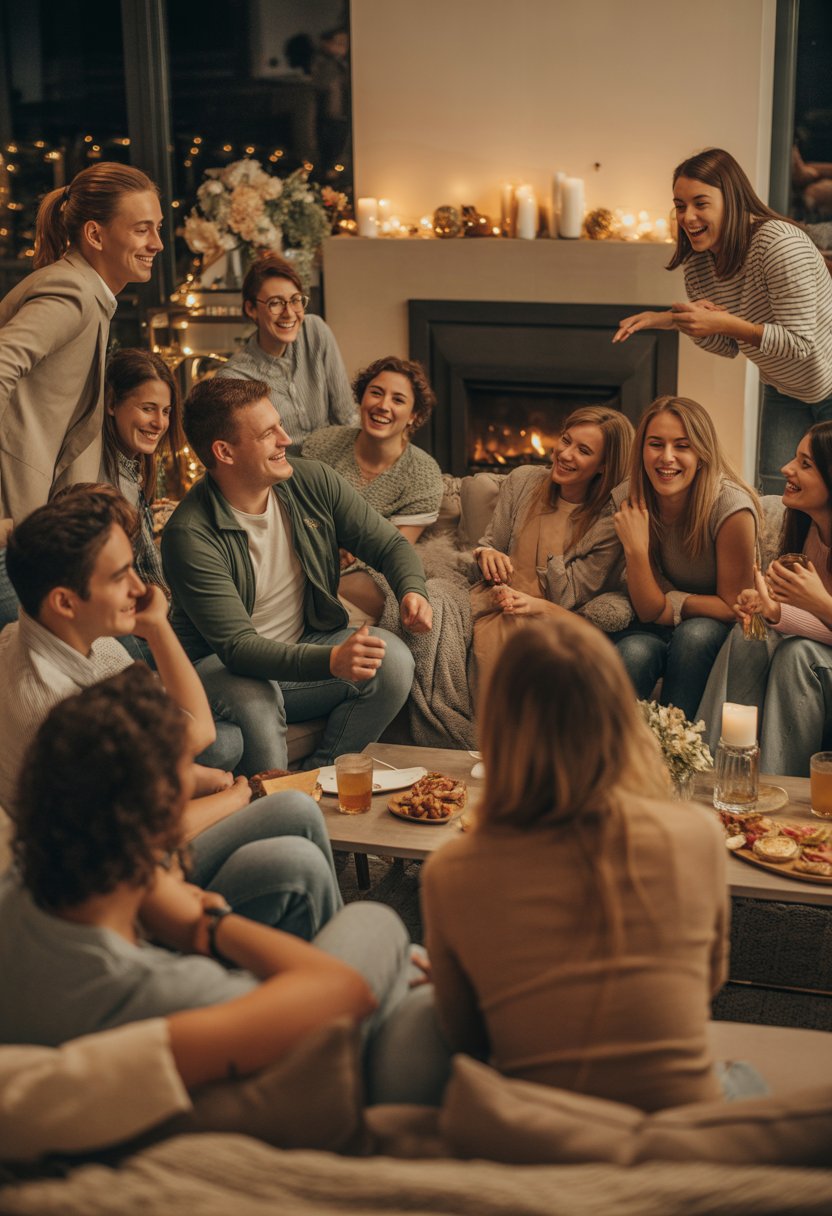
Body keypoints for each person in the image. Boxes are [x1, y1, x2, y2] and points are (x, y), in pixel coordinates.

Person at [0, 664, 427, 1109]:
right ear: (163, 818)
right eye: (185, 770)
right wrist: (207, 924)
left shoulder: (23, 882)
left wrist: (157, 883)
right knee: (385, 932)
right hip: (299, 1083)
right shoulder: (163, 989)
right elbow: (346, 991)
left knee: (396, 958)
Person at [421, 617, 752, 1112]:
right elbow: (707, 982)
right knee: (740, 1073)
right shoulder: (699, 835)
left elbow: (466, 1036)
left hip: (543, 1137)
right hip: (683, 1125)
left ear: (497, 727)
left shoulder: (450, 873)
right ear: (620, 717)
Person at [0, 485, 342, 938]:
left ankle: (318, 961)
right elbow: (192, 736)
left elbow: (162, 731)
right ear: (64, 601)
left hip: (130, 842)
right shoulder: (53, 704)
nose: (140, 589)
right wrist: (240, 795)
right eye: (120, 576)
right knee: (293, 850)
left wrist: (210, 781)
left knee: (296, 813)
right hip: (107, 891)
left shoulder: (61, 637)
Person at [162, 377, 432, 772]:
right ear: (225, 451)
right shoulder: (190, 534)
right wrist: (333, 661)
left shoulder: (311, 481)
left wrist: (412, 590)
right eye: (268, 433)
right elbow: (238, 648)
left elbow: (390, 545)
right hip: (224, 671)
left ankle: (319, 779)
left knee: (392, 660)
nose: (285, 439)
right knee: (256, 694)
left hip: (303, 644)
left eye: (280, 425)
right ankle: (275, 798)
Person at [612, 148, 832, 484]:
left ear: (732, 200)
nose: (688, 217)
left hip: (827, 383)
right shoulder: (699, 262)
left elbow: (799, 343)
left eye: (700, 203)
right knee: (774, 491)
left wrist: (723, 323)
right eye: (680, 205)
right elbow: (726, 345)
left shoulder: (779, 245)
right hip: (783, 386)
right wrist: (678, 321)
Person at [0, 162, 163, 522]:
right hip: (16, 521)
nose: (157, 243)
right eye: (142, 230)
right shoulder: (71, 292)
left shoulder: (88, 293)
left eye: (158, 228)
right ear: (95, 234)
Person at [612, 395, 758, 721]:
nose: (667, 458)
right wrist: (636, 550)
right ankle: (603, 762)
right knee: (633, 652)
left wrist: (673, 603)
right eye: (655, 444)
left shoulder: (731, 508)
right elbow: (648, 610)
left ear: (702, 454)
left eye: (682, 446)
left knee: (695, 635)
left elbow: (734, 606)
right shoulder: (630, 497)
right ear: (641, 450)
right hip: (652, 626)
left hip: (715, 630)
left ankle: (678, 755)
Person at [469, 406, 634, 691]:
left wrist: (533, 605)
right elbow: (490, 545)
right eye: (566, 440)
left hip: (554, 619)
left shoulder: (607, 523)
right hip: (495, 602)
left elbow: (570, 601)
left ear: (604, 466)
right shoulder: (522, 481)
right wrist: (487, 554)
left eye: (584, 451)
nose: (566, 454)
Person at [700, 421, 832, 774]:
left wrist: (815, 604)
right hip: (817, 653)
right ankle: (712, 772)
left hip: (812, 660)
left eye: (806, 464)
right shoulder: (808, 530)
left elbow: (815, 623)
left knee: (797, 654)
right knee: (749, 634)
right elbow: (801, 619)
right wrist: (769, 609)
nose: (786, 468)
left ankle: (783, 791)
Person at [302, 355, 443, 622]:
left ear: (414, 415)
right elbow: (297, 511)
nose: (383, 405)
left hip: (370, 569)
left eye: (398, 400)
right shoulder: (322, 445)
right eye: (376, 393)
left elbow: (395, 547)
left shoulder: (424, 474)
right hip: (308, 555)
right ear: (362, 398)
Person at [217, 253, 355, 450]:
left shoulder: (315, 331)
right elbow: (253, 453)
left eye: (295, 300)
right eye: (275, 303)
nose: (289, 313)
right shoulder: (234, 377)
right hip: (285, 476)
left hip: (336, 464)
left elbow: (347, 416)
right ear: (251, 309)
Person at [101, 348, 185, 594]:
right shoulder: (104, 482)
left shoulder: (131, 470)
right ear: (112, 404)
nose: (159, 423)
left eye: (166, 411)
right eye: (148, 408)